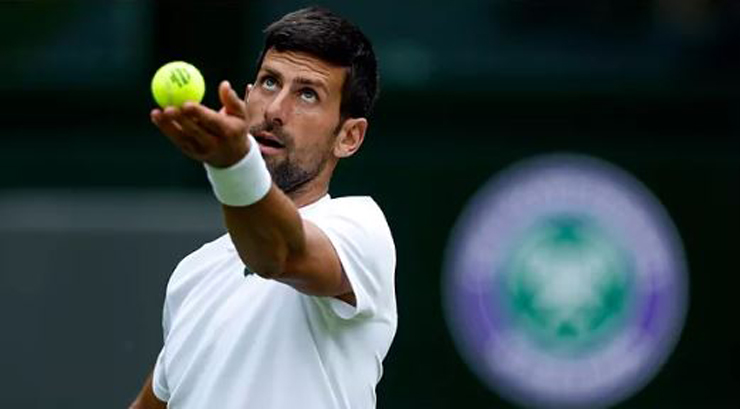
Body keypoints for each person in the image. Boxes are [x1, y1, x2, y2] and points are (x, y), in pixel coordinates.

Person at [130, 7, 397, 409]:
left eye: (307, 94)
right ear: (246, 94)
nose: (275, 110)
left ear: (349, 137)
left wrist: (233, 164)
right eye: (270, 82)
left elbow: (278, 256)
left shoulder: (361, 228)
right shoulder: (192, 275)